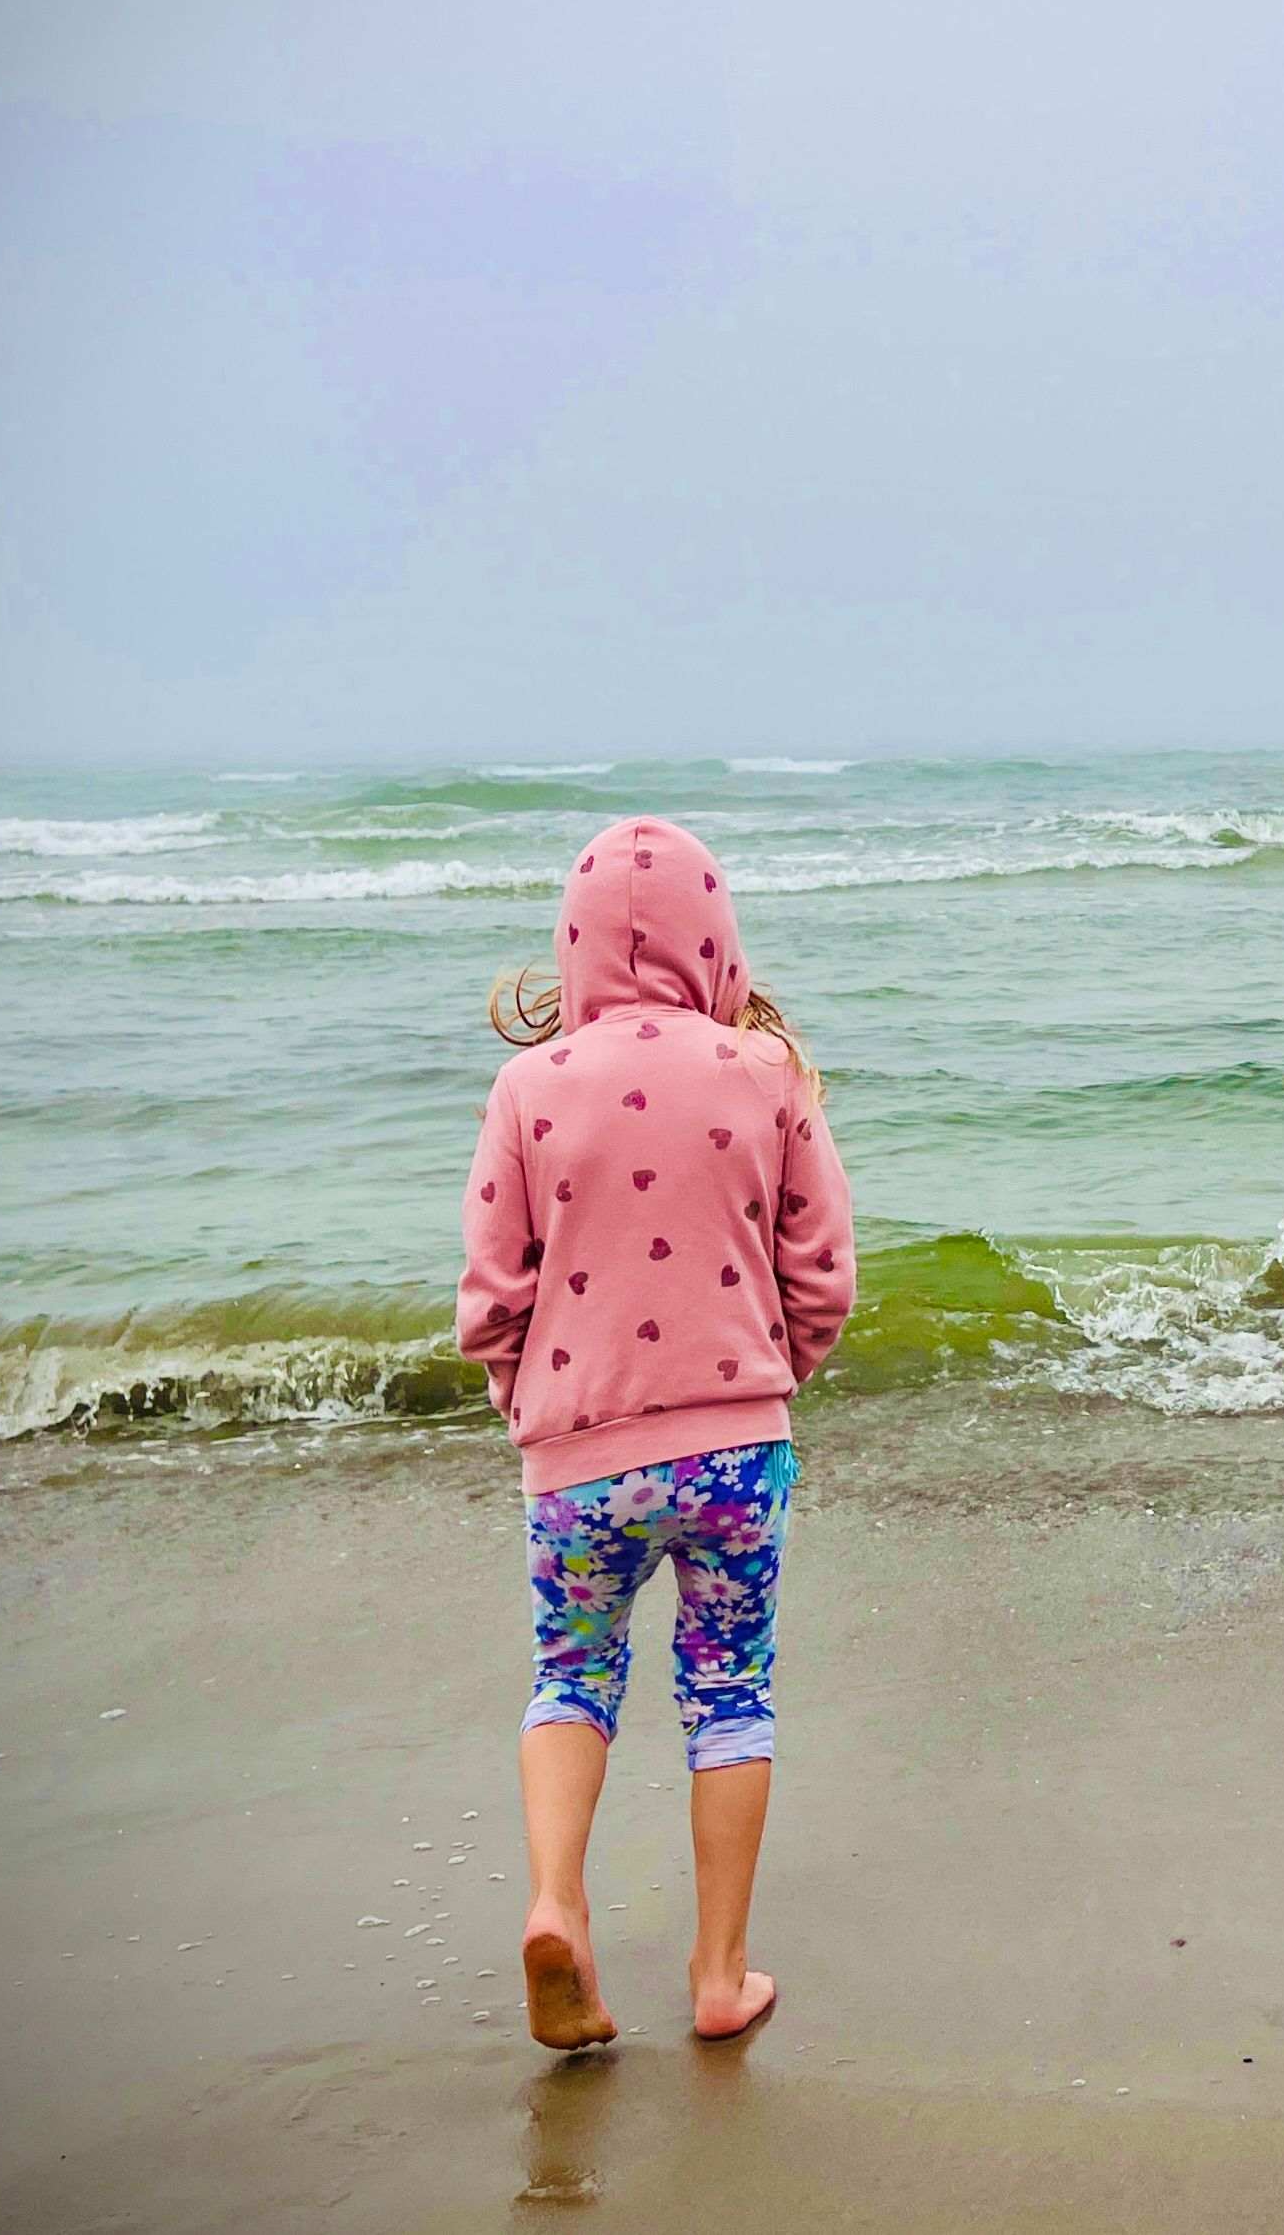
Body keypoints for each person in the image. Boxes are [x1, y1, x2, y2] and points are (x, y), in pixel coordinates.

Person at [457, 816, 856, 2046]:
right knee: (729, 1688)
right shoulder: (764, 1071)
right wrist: (774, 1377)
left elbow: (490, 1292)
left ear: (571, 949)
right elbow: (824, 1271)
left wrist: (531, 1409)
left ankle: (556, 1903)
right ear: (717, 936)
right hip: (736, 1451)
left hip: (577, 1459)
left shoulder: (528, 1084)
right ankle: (720, 1976)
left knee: (570, 1678)